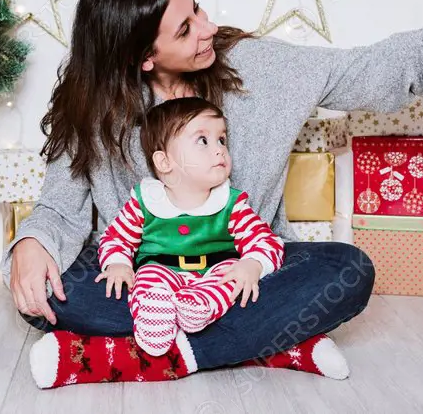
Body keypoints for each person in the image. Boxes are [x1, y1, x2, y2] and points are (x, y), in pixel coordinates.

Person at [6, 0, 423, 389]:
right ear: (142, 58)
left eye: (197, 8)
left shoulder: (256, 67)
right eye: (186, 29)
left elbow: (359, 70)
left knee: (350, 271)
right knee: (40, 295)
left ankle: (154, 356)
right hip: (146, 282)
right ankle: (268, 344)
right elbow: (59, 208)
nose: (208, 28)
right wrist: (33, 245)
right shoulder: (94, 107)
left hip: (245, 276)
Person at [97, 97, 285, 357]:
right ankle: (155, 315)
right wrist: (118, 263)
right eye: (203, 141)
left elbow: (265, 240)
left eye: (222, 140)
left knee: (233, 276)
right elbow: (116, 238)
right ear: (164, 162)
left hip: (214, 271)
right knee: (147, 276)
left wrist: (252, 264)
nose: (219, 149)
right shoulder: (146, 201)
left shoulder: (230, 203)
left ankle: (204, 305)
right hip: (163, 269)